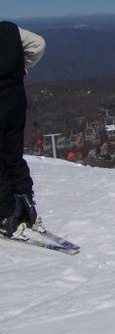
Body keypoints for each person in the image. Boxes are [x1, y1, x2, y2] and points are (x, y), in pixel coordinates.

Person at [0, 21, 45, 238]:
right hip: (16, 99)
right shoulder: (10, 30)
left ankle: (6, 216)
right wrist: (24, 66)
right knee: (13, 156)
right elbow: (38, 43)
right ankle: (27, 207)